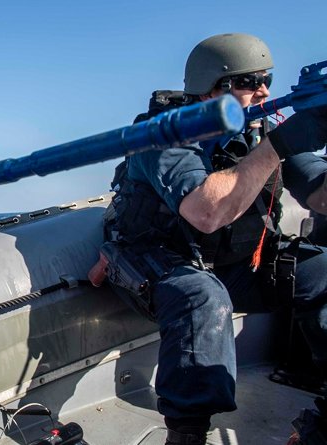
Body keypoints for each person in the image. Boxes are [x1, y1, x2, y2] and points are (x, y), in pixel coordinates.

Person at [102, 33, 327, 444]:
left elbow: (318, 193)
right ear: (211, 88)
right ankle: (187, 434)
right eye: (249, 82)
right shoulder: (162, 136)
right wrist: (278, 146)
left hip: (236, 265)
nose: (263, 92)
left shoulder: (261, 130)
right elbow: (207, 213)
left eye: (267, 81)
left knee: (325, 272)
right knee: (203, 297)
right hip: (161, 266)